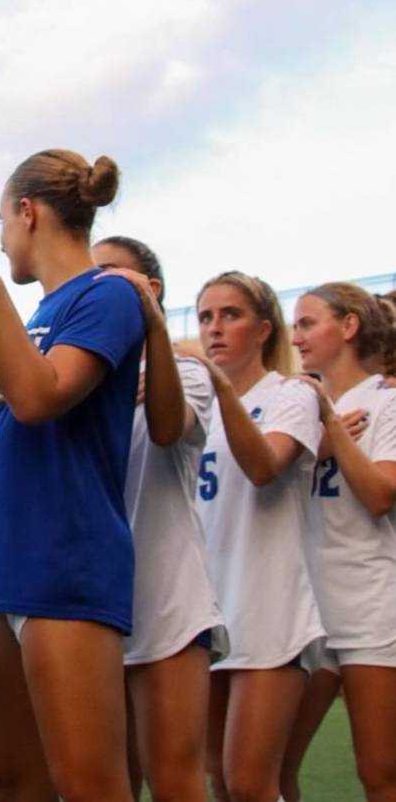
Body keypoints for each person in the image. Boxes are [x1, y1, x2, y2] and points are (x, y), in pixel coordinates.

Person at [0, 150, 147, 802]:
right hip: (2, 570)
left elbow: (39, 398)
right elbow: (11, 414)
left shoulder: (107, 293)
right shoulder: (37, 318)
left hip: (68, 565)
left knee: (90, 783)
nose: (0, 240)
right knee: (13, 781)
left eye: (2, 221)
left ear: (28, 213)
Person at [92, 237, 224, 802]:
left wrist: (156, 334)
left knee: (175, 782)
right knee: (107, 783)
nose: (94, 282)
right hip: (96, 601)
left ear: (152, 289)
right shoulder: (81, 366)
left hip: (168, 600)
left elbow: (169, 428)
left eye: (109, 271)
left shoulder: (186, 369)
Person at [192, 272, 324, 802]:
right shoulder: (193, 405)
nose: (214, 329)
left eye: (231, 315)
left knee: (251, 784)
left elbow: (265, 466)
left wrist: (220, 389)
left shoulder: (292, 394)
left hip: (268, 605)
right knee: (220, 781)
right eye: (205, 317)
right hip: (206, 606)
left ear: (265, 329)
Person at [282, 284, 396, 802]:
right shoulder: (299, 406)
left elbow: (378, 495)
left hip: (369, 606)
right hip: (309, 611)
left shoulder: (386, 400)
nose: (296, 336)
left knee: (379, 772)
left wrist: (332, 429)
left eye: (307, 323)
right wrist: (320, 438)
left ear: (348, 326)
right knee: (270, 766)